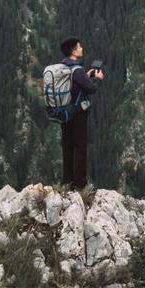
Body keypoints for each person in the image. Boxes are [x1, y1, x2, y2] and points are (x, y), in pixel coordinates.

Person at [58, 36, 105, 189]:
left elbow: (76, 83)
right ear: (73, 51)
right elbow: (91, 88)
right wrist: (97, 78)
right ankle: (80, 183)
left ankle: (67, 182)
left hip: (64, 112)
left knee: (68, 146)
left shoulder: (64, 67)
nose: (81, 48)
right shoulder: (77, 71)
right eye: (79, 47)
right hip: (77, 114)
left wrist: (87, 74)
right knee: (80, 147)